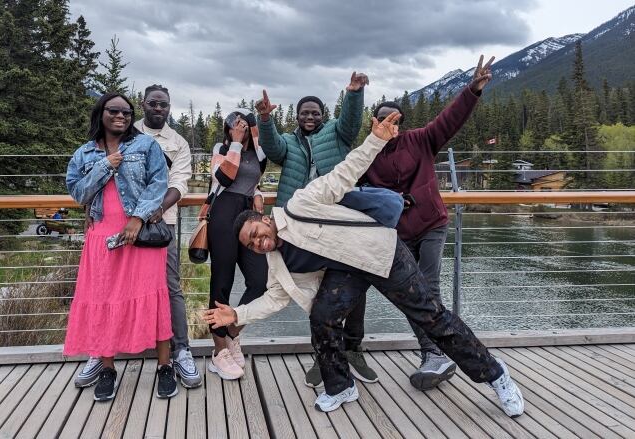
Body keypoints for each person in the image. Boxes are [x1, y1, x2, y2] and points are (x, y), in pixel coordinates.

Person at [203, 111, 524, 417]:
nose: (259, 243)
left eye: (256, 233)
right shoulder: (276, 262)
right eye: (251, 244)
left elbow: (343, 176)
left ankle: (496, 375)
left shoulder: (300, 203)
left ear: (263, 218)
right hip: (346, 271)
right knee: (323, 317)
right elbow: (275, 299)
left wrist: (375, 140)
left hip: (379, 253)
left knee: (432, 317)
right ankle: (341, 386)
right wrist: (237, 314)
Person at [363, 55, 495, 390]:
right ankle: (435, 353)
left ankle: (436, 354)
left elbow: (449, 121)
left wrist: (472, 90)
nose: (389, 125)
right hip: (398, 233)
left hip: (432, 224)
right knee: (412, 294)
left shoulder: (421, 140)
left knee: (429, 288)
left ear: (400, 124)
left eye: (395, 121)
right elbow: (353, 189)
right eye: (383, 120)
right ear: (373, 123)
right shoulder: (366, 155)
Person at [73, 85, 202, 390]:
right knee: (105, 289)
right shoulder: (118, 139)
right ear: (144, 105)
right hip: (109, 227)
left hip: (159, 226)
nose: (159, 108)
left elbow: (176, 183)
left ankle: (179, 351)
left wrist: (150, 213)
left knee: (166, 289)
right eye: (154, 103)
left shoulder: (175, 142)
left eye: (165, 105)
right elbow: (83, 187)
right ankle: (101, 352)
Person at [255, 72, 379, 387]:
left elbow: (351, 122)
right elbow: (271, 148)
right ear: (296, 116)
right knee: (316, 290)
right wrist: (265, 119)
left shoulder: (338, 134)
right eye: (304, 112)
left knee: (354, 283)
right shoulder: (288, 142)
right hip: (300, 228)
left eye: (314, 112)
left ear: (323, 114)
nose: (309, 117)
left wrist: (353, 93)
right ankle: (324, 355)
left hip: (337, 218)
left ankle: (353, 349)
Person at [205, 109, 269, 380]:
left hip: (247, 214)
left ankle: (232, 331)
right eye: (235, 124)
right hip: (224, 211)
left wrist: (257, 193)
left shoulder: (257, 152)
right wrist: (234, 142)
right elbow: (223, 178)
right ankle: (219, 350)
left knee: (261, 280)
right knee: (222, 279)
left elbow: (255, 177)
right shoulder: (221, 147)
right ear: (228, 129)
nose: (240, 127)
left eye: (244, 124)